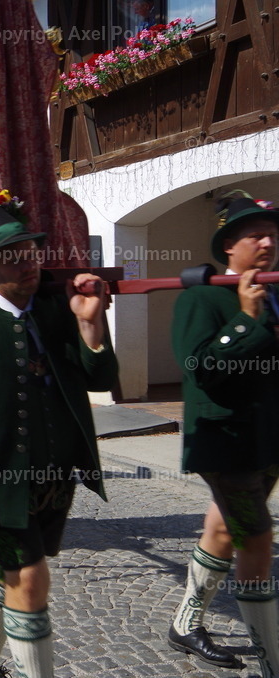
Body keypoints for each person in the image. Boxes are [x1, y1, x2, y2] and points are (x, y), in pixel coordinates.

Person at [0, 197, 117, 678]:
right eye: (14, 257)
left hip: (54, 479)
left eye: (31, 253)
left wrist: (91, 320)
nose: (28, 263)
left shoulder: (59, 312)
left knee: (9, 572)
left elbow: (100, 378)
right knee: (31, 579)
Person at [167, 191, 279, 674]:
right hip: (226, 442)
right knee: (257, 541)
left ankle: (186, 623)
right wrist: (246, 319)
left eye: (272, 234)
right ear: (229, 246)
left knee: (221, 530)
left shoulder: (271, 291)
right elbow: (201, 369)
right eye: (256, 234)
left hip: (267, 438)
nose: (268, 241)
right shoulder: (203, 296)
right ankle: (271, 656)